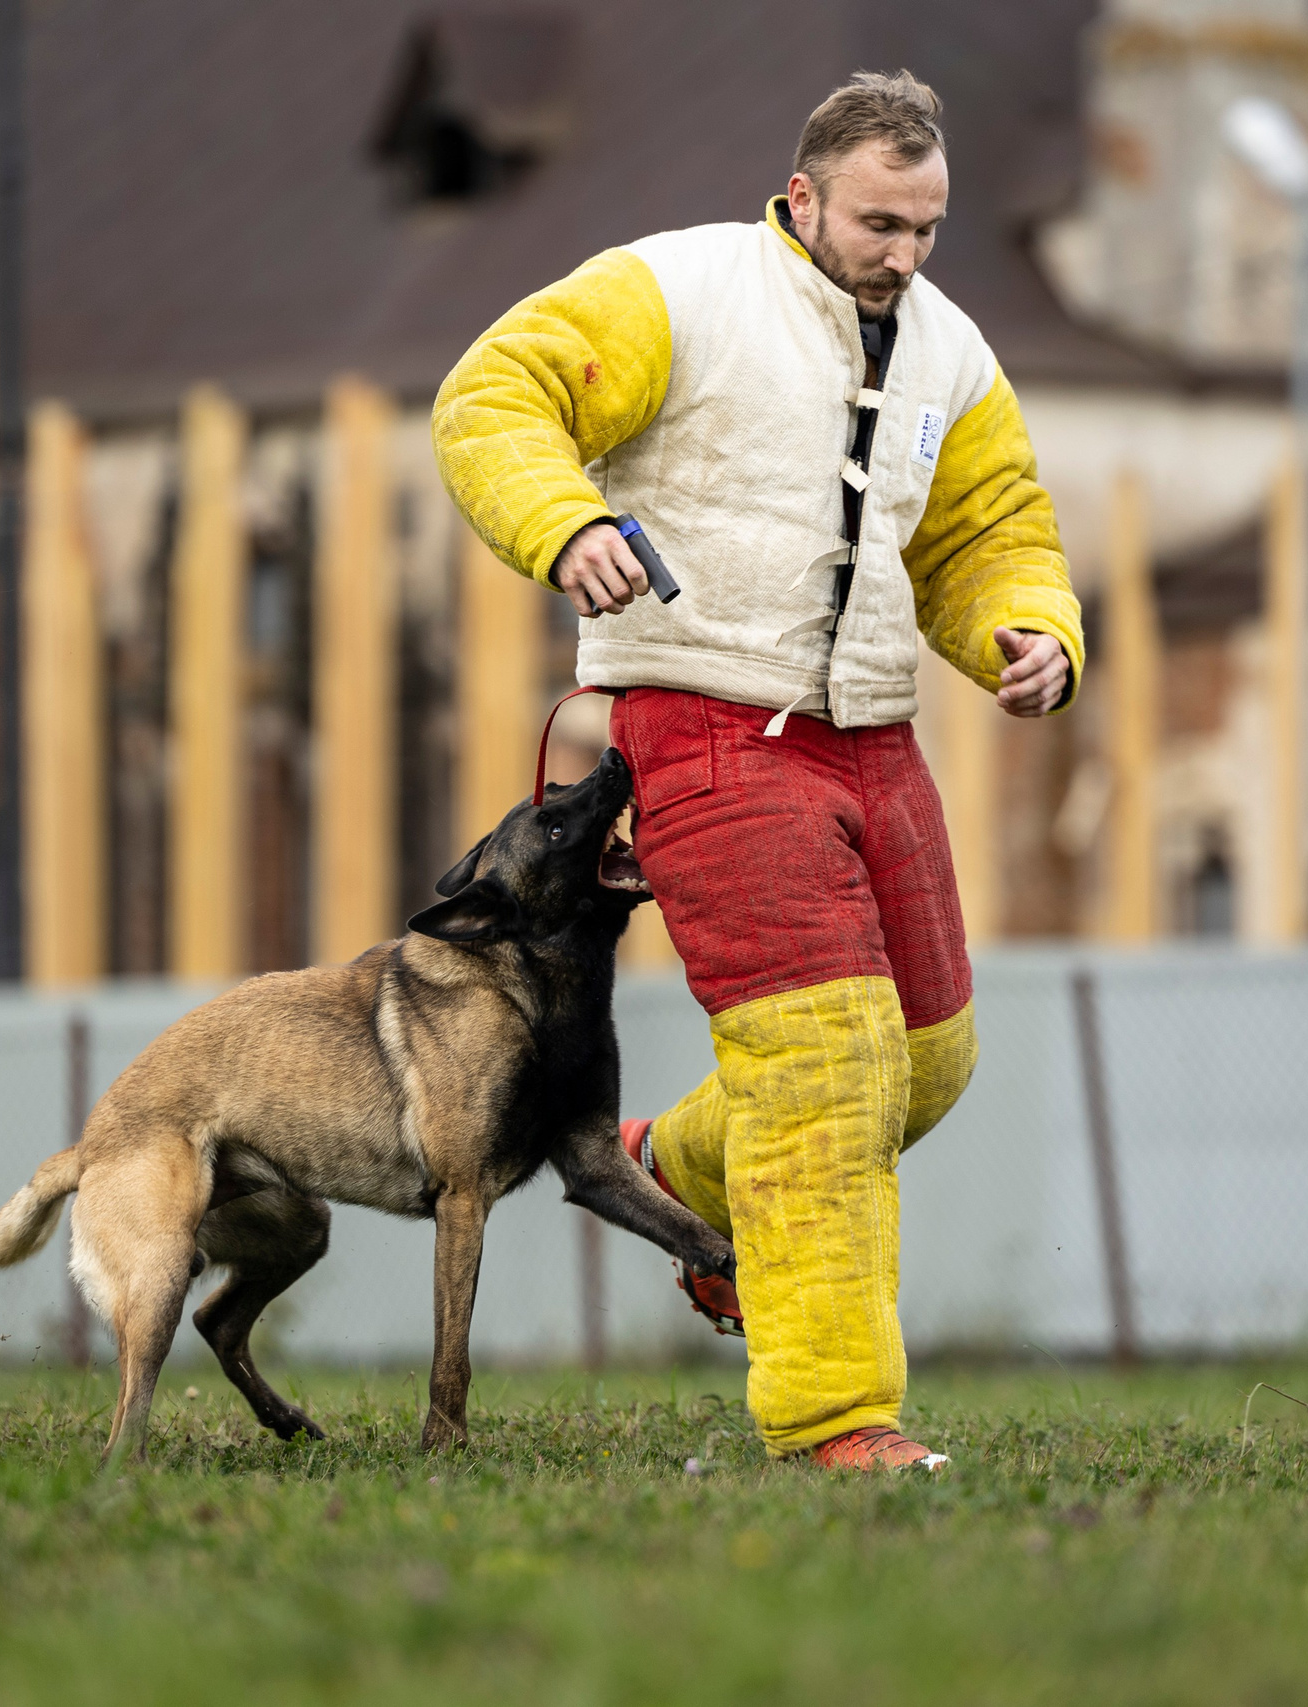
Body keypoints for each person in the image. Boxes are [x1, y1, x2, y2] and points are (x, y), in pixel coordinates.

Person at [434, 71, 1082, 1470]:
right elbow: (494, 394)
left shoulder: (952, 350)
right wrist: (565, 525)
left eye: (928, 227)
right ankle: (834, 1419)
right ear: (802, 197)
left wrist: (1032, 630)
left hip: (876, 734)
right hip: (706, 722)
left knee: (927, 1057)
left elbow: (987, 529)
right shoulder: (676, 290)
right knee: (824, 1070)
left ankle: (675, 1163)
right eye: (878, 223)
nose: (904, 254)